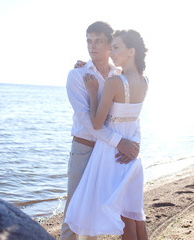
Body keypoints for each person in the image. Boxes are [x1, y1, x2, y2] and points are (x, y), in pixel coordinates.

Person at [65, 30, 148, 240]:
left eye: (103, 43)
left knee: (86, 212)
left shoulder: (115, 78)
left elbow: (96, 122)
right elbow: (133, 120)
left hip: (111, 154)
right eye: (89, 41)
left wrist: (93, 93)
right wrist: (132, 144)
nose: (93, 46)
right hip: (109, 152)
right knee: (131, 215)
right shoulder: (144, 81)